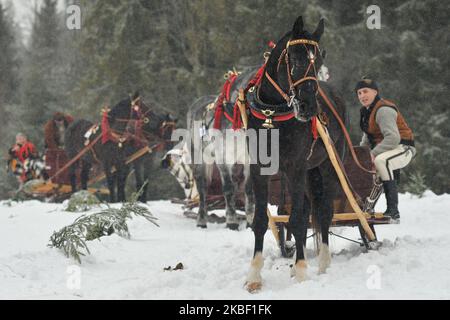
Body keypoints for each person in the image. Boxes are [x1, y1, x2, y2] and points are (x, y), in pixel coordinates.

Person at [356, 77, 416, 221]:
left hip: (403, 147)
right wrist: (360, 156)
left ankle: (393, 210)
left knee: (382, 161)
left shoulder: (383, 109)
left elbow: (393, 138)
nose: (362, 96)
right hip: (388, 149)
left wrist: (372, 153)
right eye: (359, 93)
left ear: (375, 92)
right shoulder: (366, 112)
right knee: (364, 166)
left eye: (365, 91)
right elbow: (366, 138)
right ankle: (367, 209)